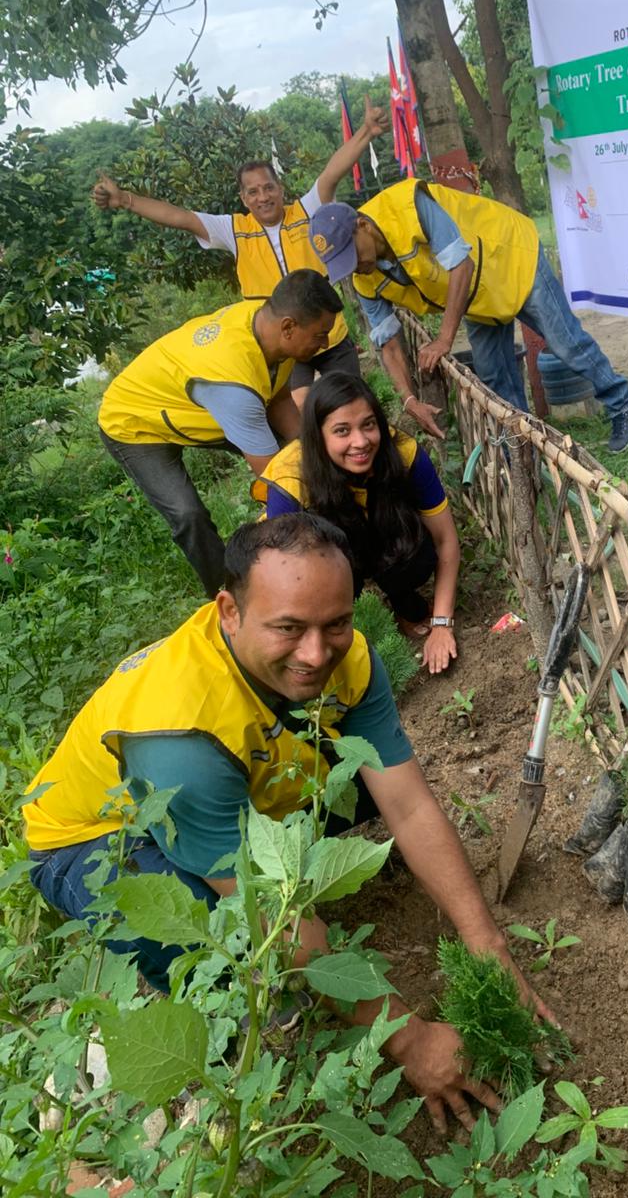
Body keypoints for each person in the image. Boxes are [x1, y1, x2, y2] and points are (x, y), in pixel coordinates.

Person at [22, 513, 549, 1133]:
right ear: (229, 612)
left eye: (336, 624)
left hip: (222, 782)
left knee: (362, 779)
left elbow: (408, 803)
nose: (316, 652)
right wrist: (410, 1042)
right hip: (90, 841)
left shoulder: (345, 658)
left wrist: (486, 944)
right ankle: (164, 1034)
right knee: (241, 963)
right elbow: (269, 910)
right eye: (289, 628)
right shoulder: (182, 738)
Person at [306, 179, 628, 451]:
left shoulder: (407, 206)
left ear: (362, 226)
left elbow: (460, 264)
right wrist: (410, 401)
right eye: (345, 264)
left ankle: (622, 402)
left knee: (564, 343)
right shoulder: (364, 278)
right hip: (476, 295)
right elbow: (388, 344)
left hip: (509, 255)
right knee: (494, 376)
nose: (357, 267)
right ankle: (524, 448)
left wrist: (444, 339)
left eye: (354, 255)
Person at [92, 97, 388, 401]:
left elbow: (331, 173)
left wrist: (365, 131)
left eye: (269, 187)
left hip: (329, 334)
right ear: (244, 198)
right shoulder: (234, 230)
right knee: (302, 411)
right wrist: (125, 200)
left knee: (353, 401)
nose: (263, 197)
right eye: (253, 192)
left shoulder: (305, 212)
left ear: (280, 189)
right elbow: (180, 217)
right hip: (284, 344)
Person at [98, 268, 342, 599]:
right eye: (319, 335)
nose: (325, 343)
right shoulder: (234, 385)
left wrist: (316, 454)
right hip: (133, 421)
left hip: (190, 403)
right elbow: (275, 479)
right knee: (189, 514)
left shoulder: (267, 330)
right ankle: (231, 594)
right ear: (289, 327)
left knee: (302, 456)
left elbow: (280, 399)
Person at [256, 373, 459, 674]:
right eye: (342, 431)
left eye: (368, 424)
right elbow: (281, 581)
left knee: (417, 551)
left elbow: (445, 540)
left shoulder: (403, 453)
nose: (360, 442)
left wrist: (443, 624)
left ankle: (403, 601)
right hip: (322, 557)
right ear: (317, 436)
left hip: (375, 535)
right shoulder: (291, 481)